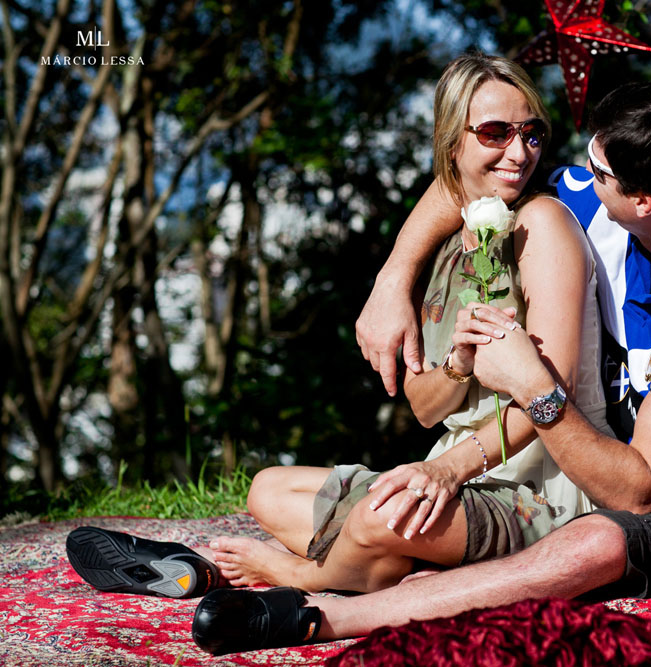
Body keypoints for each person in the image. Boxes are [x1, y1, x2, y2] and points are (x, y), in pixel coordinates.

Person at [189, 80, 651, 656]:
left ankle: (325, 611)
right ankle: (419, 567)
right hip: (593, 461)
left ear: (643, 199)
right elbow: (468, 183)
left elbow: (635, 491)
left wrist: (533, 385)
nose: (579, 173)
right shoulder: (607, 208)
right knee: (280, 492)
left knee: (593, 546)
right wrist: (392, 281)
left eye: (598, 170)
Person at [66, 52, 612, 601]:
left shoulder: (543, 223)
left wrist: (446, 471)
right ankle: (398, 568)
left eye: (532, 134)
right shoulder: (447, 247)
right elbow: (425, 407)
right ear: (453, 142)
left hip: (540, 489)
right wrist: (459, 364)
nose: (519, 152)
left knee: (375, 519)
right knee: (268, 491)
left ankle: (304, 575)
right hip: (460, 473)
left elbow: (551, 395)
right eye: (496, 133)